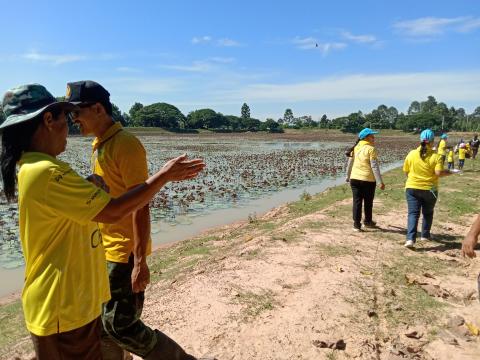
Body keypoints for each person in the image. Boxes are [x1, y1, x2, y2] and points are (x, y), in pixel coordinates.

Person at [0, 84, 205, 360]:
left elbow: (138, 206)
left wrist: (140, 259)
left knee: (117, 327)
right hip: (63, 303)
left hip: (83, 286)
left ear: (98, 109)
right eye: (66, 116)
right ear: (47, 120)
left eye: (76, 113)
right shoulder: (49, 170)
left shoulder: (119, 145)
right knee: (112, 329)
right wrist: (164, 175)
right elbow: (112, 209)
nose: (72, 122)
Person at [403, 129, 451, 248]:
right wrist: (450, 172)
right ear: (433, 141)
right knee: (428, 213)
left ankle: (410, 239)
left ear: (420, 140)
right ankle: (425, 235)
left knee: (413, 213)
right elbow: (439, 172)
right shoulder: (436, 156)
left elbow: (406, 171)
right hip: (430, 190)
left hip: (412, 188)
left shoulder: (411, 153)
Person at [345, 128, 385, 232]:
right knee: (368, 202)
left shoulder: (355, 147)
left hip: (355, 179)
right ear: (366, 137)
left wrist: (347, 176)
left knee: (357, 202)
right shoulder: (371, 149)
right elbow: (374, 166)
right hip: (368, 180)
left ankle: (356, 225)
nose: (374, 138)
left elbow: (349, 163)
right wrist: (380, 182)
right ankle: (367, 221)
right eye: (372, 136)